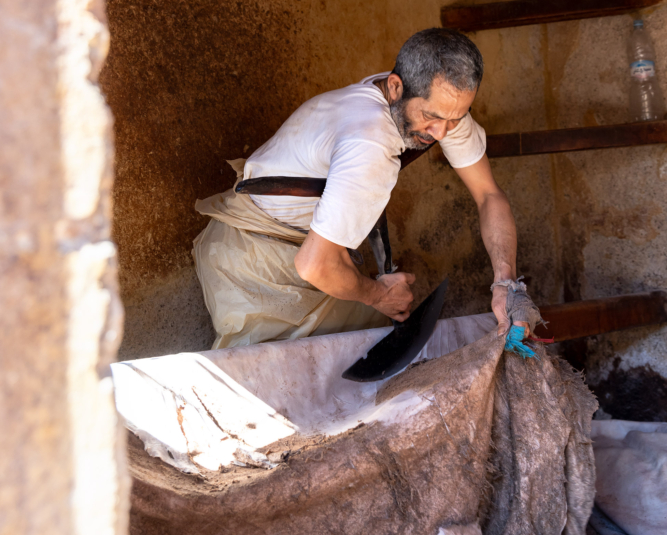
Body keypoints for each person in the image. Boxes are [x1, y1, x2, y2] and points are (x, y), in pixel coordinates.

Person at [193, 28, 528, 349]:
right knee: (277, 382)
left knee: (356, 361)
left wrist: (506, 283)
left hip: (312, 251)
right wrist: (377, 295)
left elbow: (489, 196)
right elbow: (314, 265)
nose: (441, 132)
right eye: (431, 117)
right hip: (255, 262)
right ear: (396, 87)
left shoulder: (433, 104)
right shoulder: (369, 141)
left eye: (454, 119)